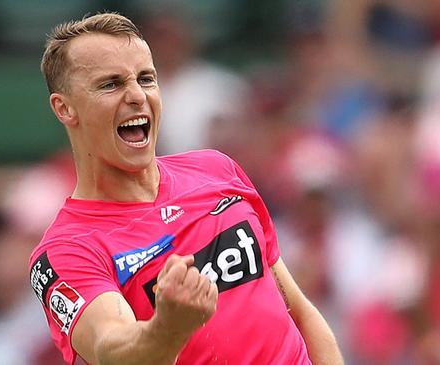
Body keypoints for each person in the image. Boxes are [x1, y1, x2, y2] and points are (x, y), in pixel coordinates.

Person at [28, 12, 344, 365]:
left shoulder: (217, 170)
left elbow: (297, 310)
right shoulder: (66, 250)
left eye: (146, 79)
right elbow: (111, 350)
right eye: (111, 84)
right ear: (64, 108)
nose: (137, 95)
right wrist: (169, 327)